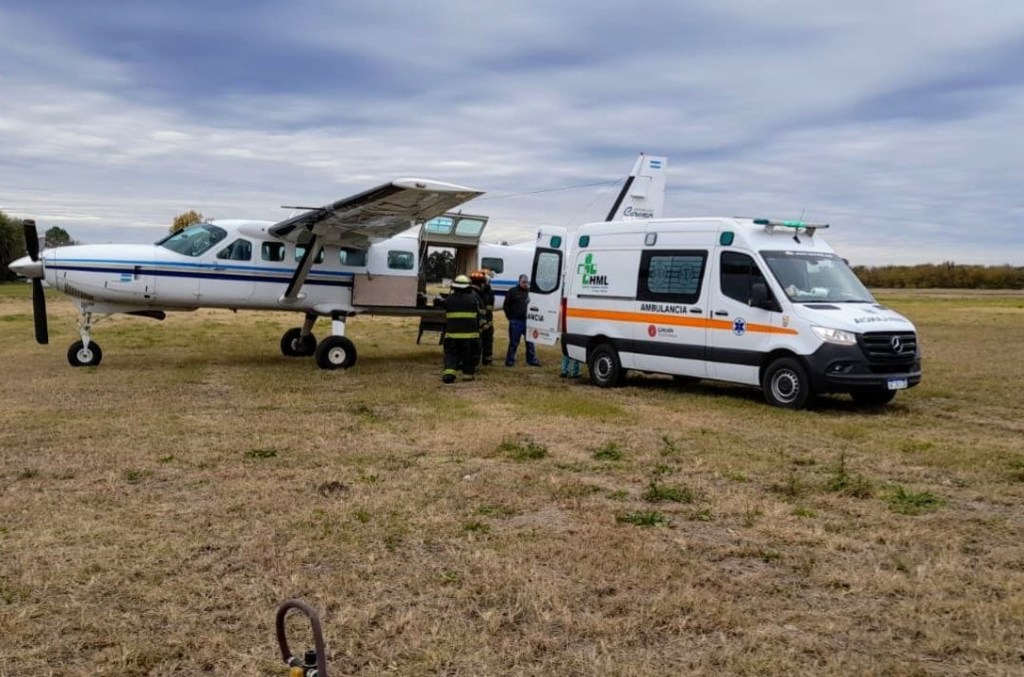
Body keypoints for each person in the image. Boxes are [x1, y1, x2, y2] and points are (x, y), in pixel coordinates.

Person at [441, 275, 483, 383]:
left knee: (451, 355)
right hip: (470, 336)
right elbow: (479, 316)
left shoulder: (448, 300)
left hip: (452, 335)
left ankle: (449, 374)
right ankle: (468, 375)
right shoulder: (474, 299)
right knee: (468, 356)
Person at [503, 273, 540, 367]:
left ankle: (532, 361)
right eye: (523, 282)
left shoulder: (530, 292)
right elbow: (506, 306)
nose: (525, 284)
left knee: (530, 342)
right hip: (516, 321)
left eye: (526, 282)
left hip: (528, 321)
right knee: (514, 343)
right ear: (519, 281)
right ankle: (510, 361)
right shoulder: (512, 291)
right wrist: (510, 317)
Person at [469, 269, 495, 365]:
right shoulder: (476, 293)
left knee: (487, 340)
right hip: (478, 321)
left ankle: (487, 360)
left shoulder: (488, 292)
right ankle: (475, 361)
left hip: (487, 320)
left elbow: (489, 308)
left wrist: (488, 322)